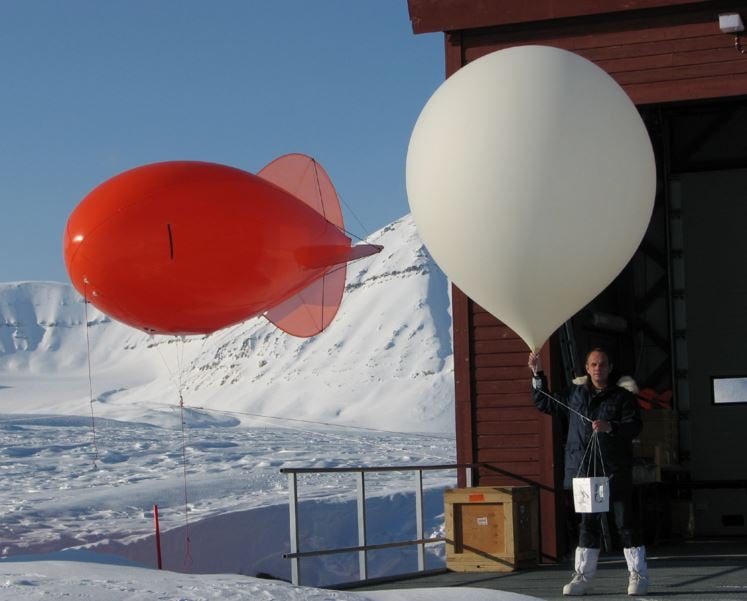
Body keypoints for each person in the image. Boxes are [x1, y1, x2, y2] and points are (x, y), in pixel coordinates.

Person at [528, 348, 648, 596]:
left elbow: (634, 426)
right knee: (588, 524)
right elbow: (544, 402)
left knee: (624, 522)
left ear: (610, 367)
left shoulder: (623, 397)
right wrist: (537, 373)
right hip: (584, 468)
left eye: (602, 364)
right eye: (593, 364)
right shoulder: (574, 394)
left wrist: (611, 427)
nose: (598, 369)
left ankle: (638, 575)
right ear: (586, 368)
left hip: (614, 468)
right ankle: (582, 577)